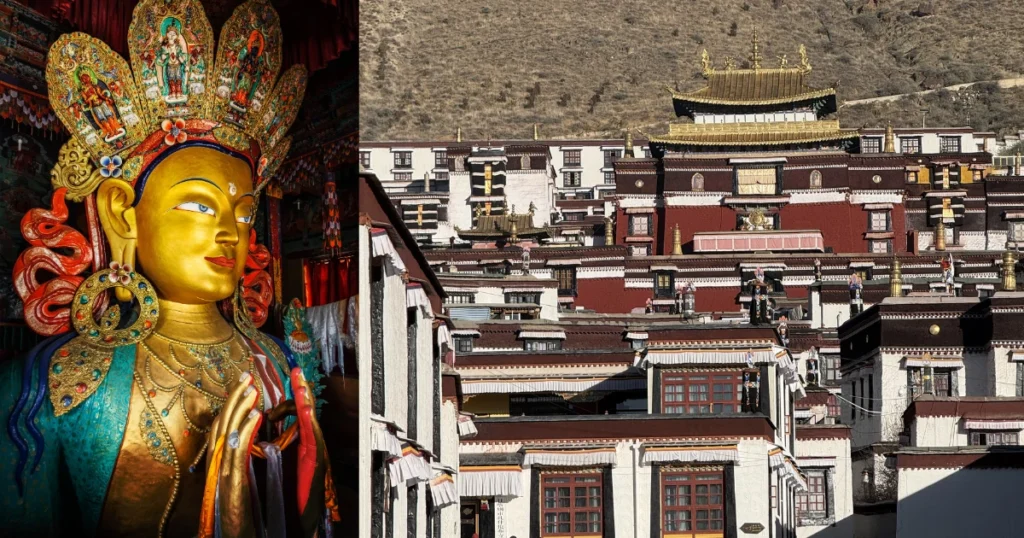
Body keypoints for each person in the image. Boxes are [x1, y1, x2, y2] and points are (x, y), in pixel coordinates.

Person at [1, 1, 330, 536]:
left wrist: (300, 491)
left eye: (243, 212)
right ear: (121, 214)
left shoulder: (273, 359)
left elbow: (312, 517)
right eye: (200, 205)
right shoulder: (60, 383)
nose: (230, 231)